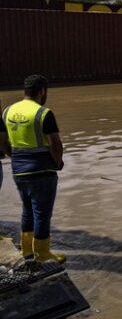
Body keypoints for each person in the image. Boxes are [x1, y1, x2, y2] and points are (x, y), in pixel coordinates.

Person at [0, 75, 65, 263]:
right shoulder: (43, 113)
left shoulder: (7, 111)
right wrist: (57, 163)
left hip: (19, 171)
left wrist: (17, 159)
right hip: (42, 171)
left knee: (27, 210)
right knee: (42, 213)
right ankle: (42, 253)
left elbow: (3, 143)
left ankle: (26, 251)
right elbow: (56, 145)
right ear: (42, 91)